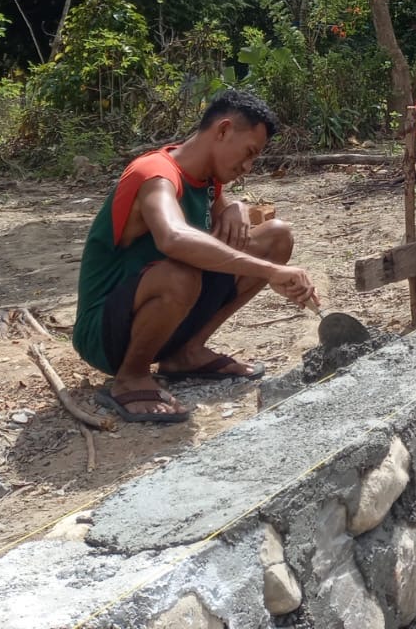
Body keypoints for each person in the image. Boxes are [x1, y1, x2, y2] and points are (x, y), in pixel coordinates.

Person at [74, 89, 317, 423]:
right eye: (248, 153)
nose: (247, 167)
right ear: (222, 131)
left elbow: (224, 218)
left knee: (277, 237)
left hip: (166, 317)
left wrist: (234, 206)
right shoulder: (154, 173)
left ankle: (186, 353)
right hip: (105, 333)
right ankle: (131, 376)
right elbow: (173, 237)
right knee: (180, 274)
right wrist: (270, 271)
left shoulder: (207, 180)